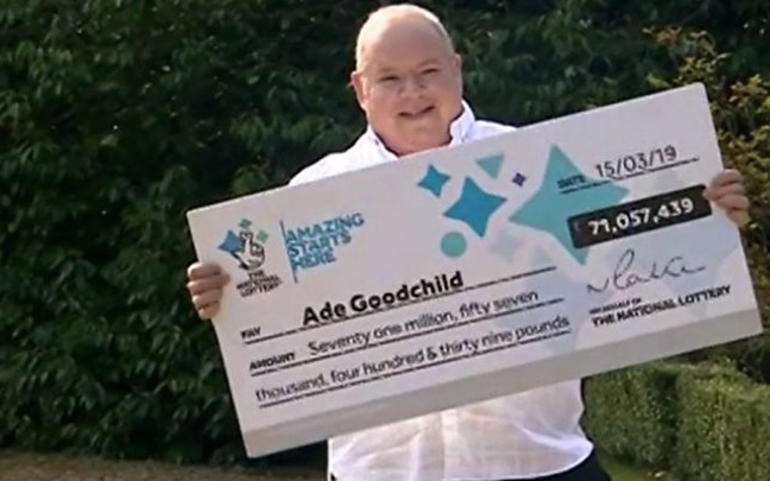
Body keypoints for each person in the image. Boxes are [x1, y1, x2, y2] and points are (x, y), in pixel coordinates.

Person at [186, 4, 750, 481]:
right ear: (360, 89)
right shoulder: (309, 198)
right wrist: (228, 297)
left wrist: (704, 216)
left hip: (538, 461)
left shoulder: (541, 163)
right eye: (390, 78)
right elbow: (277, 325)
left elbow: (627, 265)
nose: (412, 92)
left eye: (428, 71)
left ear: (457, 70)